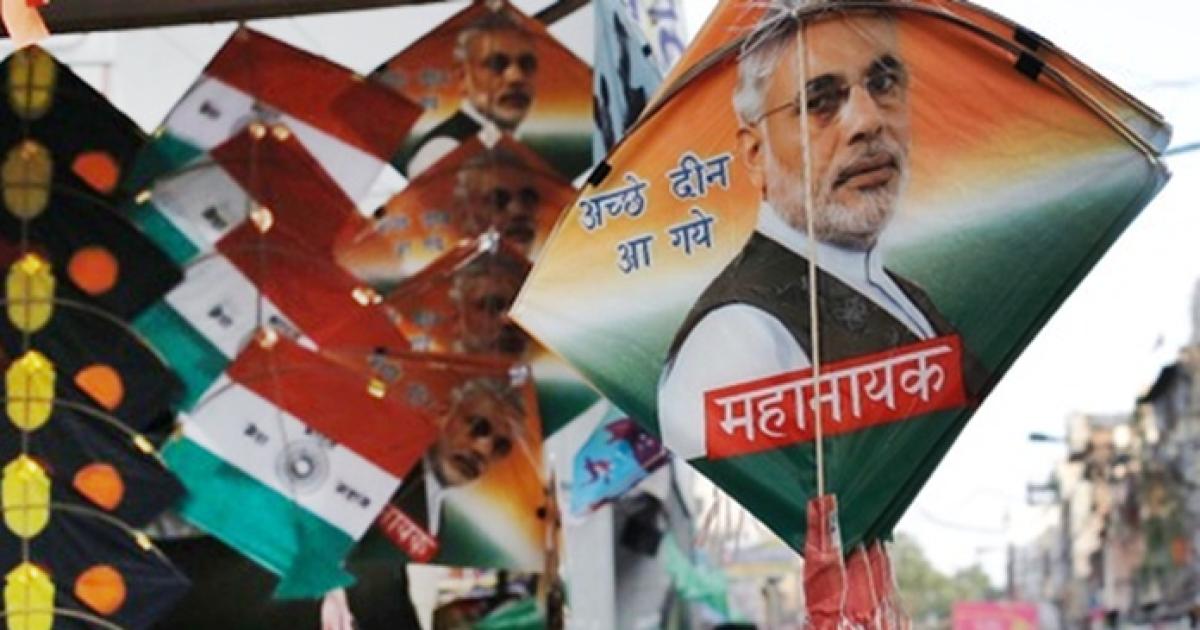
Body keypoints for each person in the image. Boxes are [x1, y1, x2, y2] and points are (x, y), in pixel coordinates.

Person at [658, 1, 979, 459]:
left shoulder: (902, 293)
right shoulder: (739, 337)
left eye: (883, 83)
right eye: (821, 101)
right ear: (756, 155)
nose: (868, 122)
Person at [405, 10, 538, 177]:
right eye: (496, 64)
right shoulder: (443, 151)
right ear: (463, 77)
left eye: (527, 64)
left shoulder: (517, 144)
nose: (516, 77)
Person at [395, 377, 527, 536]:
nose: (484, 450)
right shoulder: (390, 476)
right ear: (444, 412)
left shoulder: (441, 520)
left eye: (500, 446)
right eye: (478, 427)